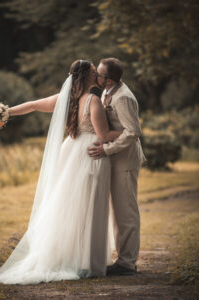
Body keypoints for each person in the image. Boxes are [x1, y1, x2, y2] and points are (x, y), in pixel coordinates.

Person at [0, 59, 122, 284]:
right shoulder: (93, 101)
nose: (97, 75)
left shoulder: (65, 99)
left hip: (71, 152)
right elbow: (104, 136)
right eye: (94, 72)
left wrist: (5, 112)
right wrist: (126, 130)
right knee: (89, 205)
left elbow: (34, 105)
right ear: (86, 77)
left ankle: (70, 256)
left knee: (68, 206)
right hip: (90, 154)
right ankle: (86, 261)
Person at [88, 58, 146, 276]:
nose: (96, 77)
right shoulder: (106, 91)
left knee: (126, 211)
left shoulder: (123, 98)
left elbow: (133, 132)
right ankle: (122, 259)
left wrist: (106, 149)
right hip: (115, 159)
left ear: (108, 79)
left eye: (99, 75)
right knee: (117, 211)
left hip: (125, 161)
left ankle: (128, 264)